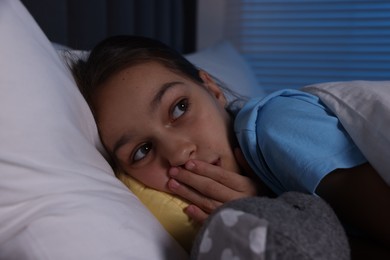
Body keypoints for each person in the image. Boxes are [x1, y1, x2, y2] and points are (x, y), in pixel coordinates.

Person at [71, 35, 390, 257]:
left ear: (212, 89)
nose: (179, 153)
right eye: (142, 150)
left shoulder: (274, 124)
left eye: (179, 108)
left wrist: (272, 212)